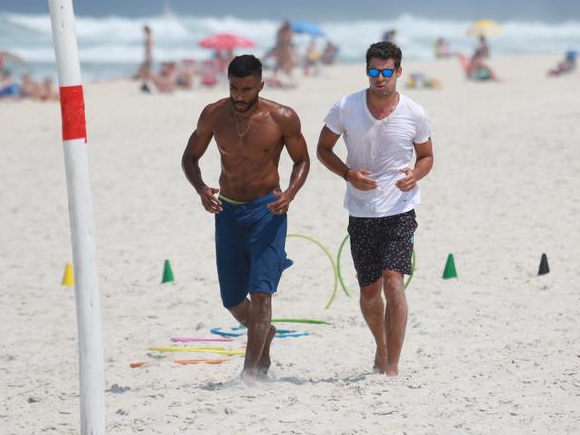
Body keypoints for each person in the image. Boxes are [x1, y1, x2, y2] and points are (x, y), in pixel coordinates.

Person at [181, 54, 310, 380]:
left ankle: (251, 371)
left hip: (267, 211)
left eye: (247, 89)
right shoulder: (213, 114)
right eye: (234, 88)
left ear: (260, 85)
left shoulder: (282, 117)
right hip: (228, 211)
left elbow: (302, 160)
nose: (239, 96)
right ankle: (265, 332)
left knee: (262, 293)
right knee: (234, 302)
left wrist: (290, 192)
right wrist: (200, 188)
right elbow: (190, 156)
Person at [316, 41, 433, 377]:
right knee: (370, 294)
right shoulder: (346, 107)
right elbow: (324, 148)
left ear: (398, 72)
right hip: (361, 211)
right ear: (366, 71)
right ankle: (380, 348)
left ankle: (393, 365)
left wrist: (416, 174)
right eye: (373, 71)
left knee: (394, 282)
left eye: (386, 72)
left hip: (400, 209)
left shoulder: (415, 112)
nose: (379, 78)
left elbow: (426, 156)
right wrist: (348, 173)